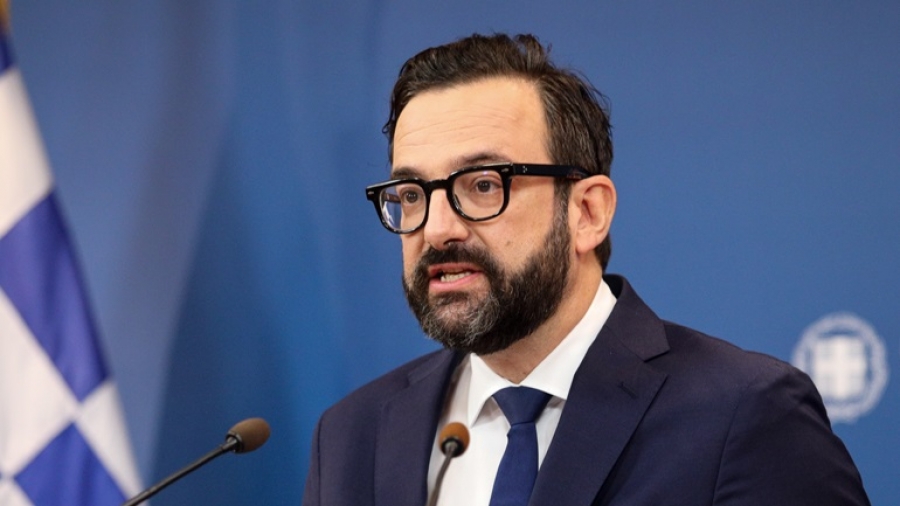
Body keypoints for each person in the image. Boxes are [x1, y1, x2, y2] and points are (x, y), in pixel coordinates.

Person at [302, 33, 869, 506]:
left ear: (587, 212)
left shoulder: (742, 414)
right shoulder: (353, 436)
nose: (436, 229)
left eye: (483, 185)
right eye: (411, 193)